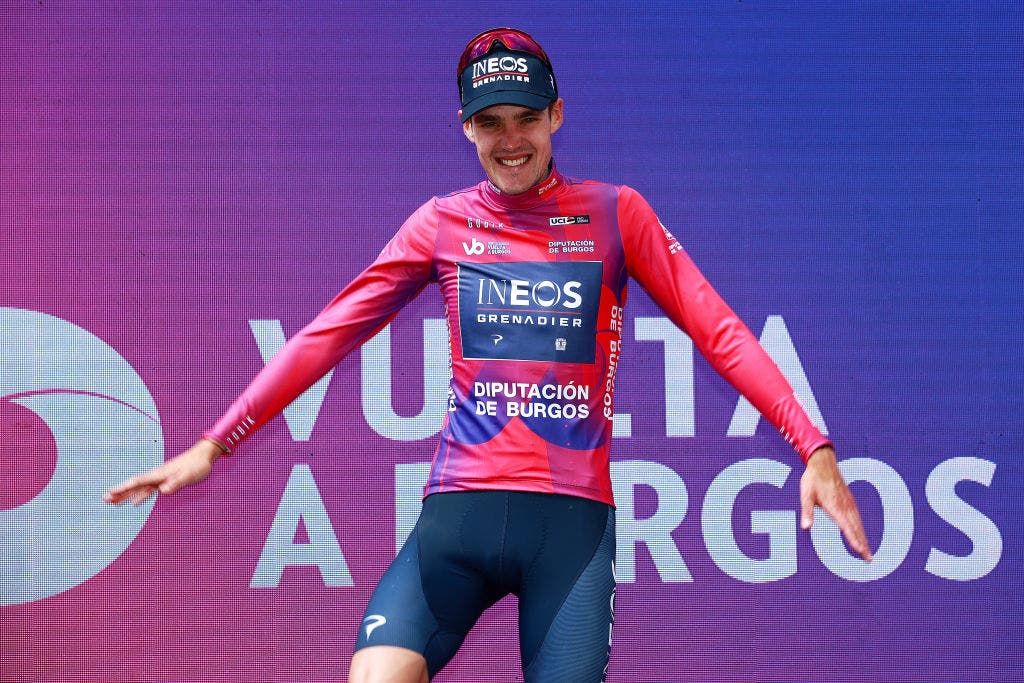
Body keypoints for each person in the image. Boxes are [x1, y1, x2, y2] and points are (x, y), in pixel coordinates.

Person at [106, 28, 873, 683]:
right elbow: (330, 330)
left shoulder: (616, 213)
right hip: (458, 521)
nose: (511, 141)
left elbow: (720, 329)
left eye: (527, 118)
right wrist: (216, 441)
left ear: (558, 114)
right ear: (465, 127)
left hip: (567, 534)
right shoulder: (440, 223)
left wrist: (814, 445)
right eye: (490, 122)